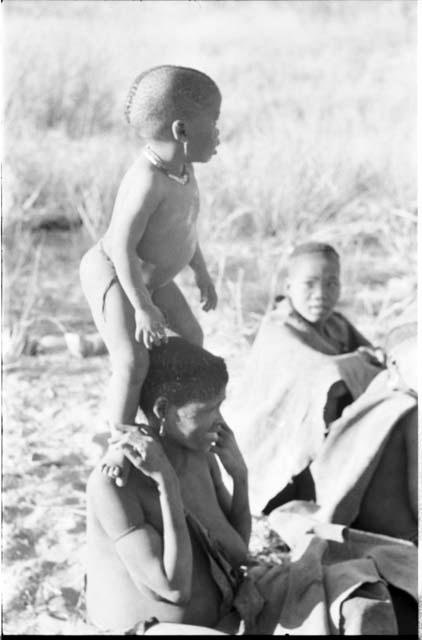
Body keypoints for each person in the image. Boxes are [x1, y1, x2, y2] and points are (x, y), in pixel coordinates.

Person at [85, 337, 417, 635]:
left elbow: (239, 553)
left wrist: (240, 477)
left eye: (221, 406)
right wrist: (168, 486)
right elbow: (173, 589)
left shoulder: (198, 457)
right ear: (162, 411)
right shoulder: (115, 483)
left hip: (234, 610)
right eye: (208, 410)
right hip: (150, 630)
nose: (220, 420)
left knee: (362, 608)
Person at [80, 65, 221, 487]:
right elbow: (121, 248)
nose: (218, 135)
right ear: (181, 130)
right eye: (212, 125)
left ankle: (164, 417)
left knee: (192, 340)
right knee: (131, 358)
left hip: (153, 278)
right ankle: (119, 439)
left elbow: (184, 228)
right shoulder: (146, 180)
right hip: (115, 273)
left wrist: (201, 272)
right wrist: (142, 308)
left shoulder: (183, 169)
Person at [225, 242, 384, 514]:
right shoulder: (278, 328)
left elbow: (378, 360)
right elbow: (323, 373)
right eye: (309, 284)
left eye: (331, 283)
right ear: (288, 287)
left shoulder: (337, 324)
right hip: (277, 455)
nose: (320, 294)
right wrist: (362, 361)